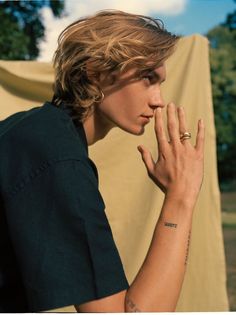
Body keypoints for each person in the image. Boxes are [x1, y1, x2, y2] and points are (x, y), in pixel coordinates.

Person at [0, 10, 204, 312]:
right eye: (147, 78)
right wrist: (181, 197)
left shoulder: (31, 131)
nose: (158, 100)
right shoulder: (58, 159)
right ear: (96, 72)